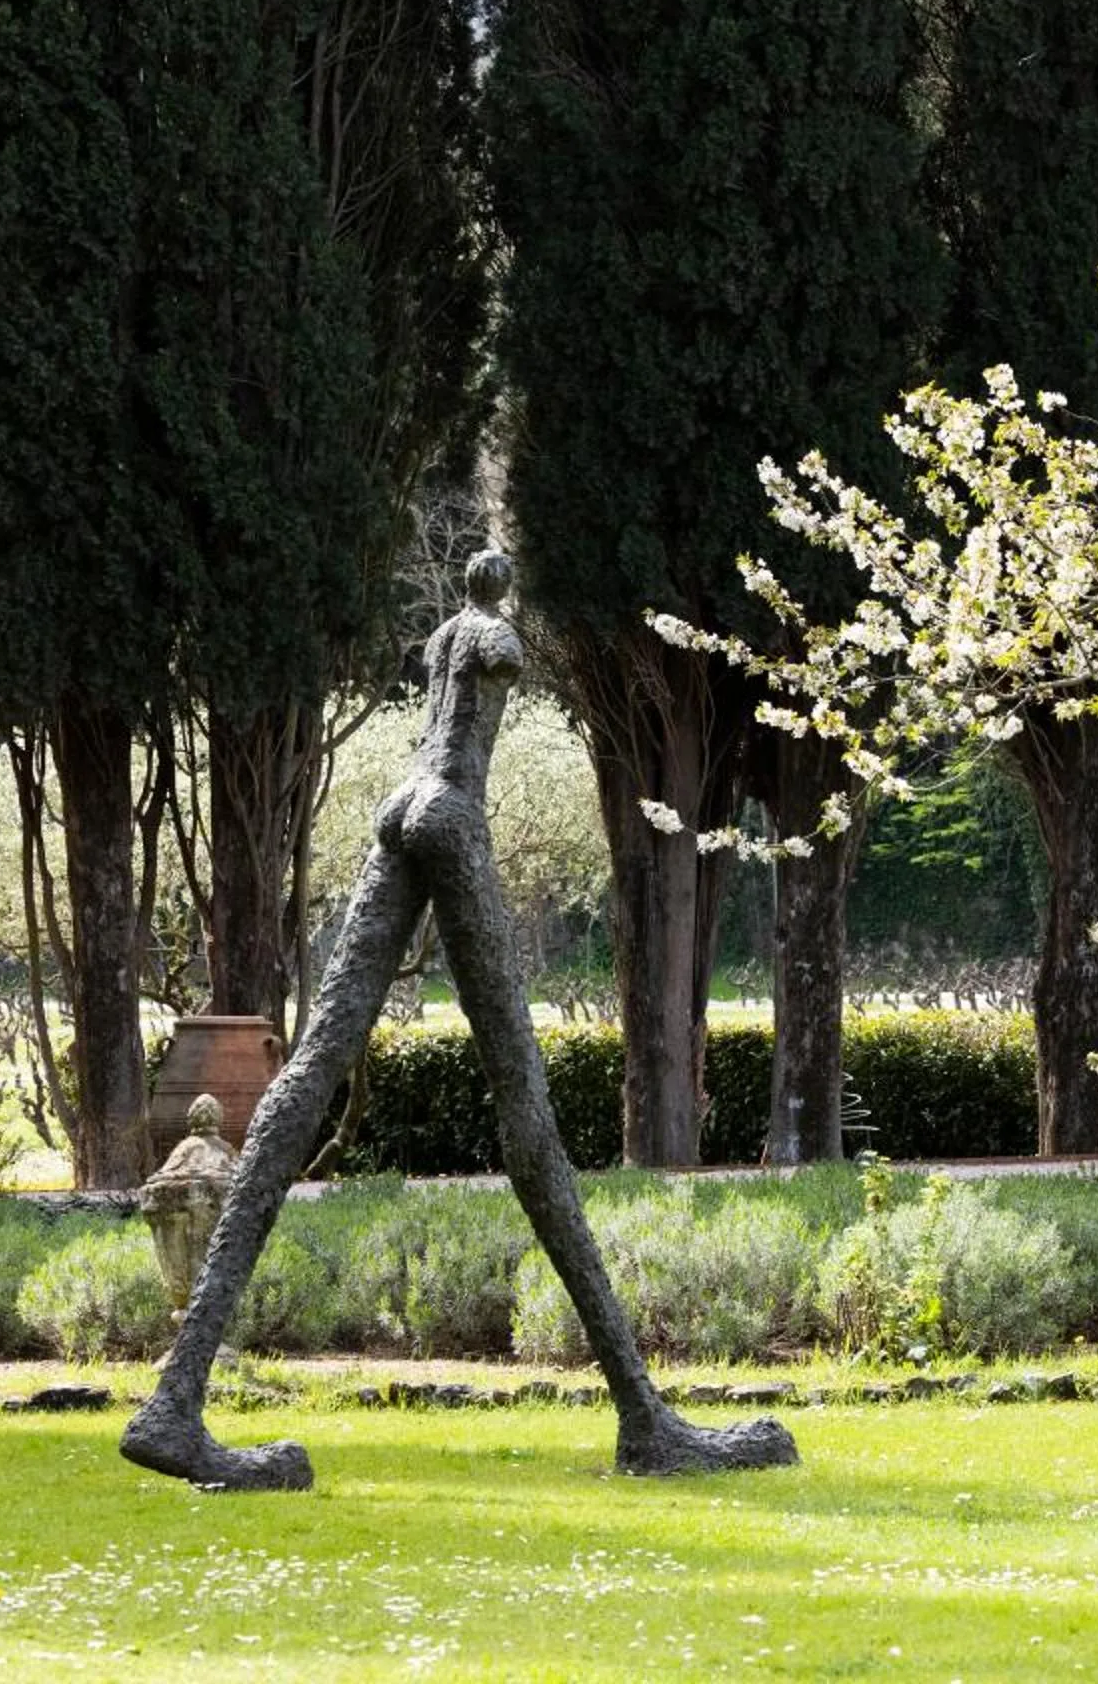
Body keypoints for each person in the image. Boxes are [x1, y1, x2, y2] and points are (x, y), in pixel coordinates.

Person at [122, 551, 797, 1490]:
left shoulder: (442, 637)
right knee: (526, 1110)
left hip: (401, 804)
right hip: (450, 810)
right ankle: (646, 1420)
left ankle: (174, 1401)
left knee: (311, 1069)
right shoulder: (489, 634)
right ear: (500, 586)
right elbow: (505, 658)